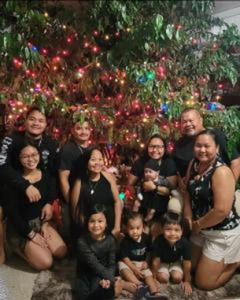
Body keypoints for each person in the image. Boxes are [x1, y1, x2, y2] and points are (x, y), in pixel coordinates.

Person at [0, 106, 60, 264]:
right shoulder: (11, 139)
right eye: (32, 119)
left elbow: (53, 175)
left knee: (60, 253)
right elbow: (2, 166)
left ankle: (41, 232)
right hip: (12, 187)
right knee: (45, 262)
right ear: (25, 121)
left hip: (39, 193)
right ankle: (13, 244)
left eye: (41, 120)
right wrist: (25, 185)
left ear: (46, 124)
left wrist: (49, 202)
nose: (36, 123)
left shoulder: (51, 144)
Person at [184, 129, 240, 290]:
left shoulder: (221, 172)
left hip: (221, 232)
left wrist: (198, 224)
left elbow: (221, 211)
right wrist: (187, 213)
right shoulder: (194, 164)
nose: (202, 150)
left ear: (216, 148)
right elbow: (186, 190)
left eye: (207, 146)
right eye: (198, 146)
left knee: (203, 282)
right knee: (190, 268)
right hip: (201, 229)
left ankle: (235, 262)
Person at [4, 144, 67, 270]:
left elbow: (50, 193)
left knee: (61, 252)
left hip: (41, 222)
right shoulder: (14, 182)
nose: (31, 159)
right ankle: (16, 248)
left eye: (34, 155)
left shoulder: (45, 174)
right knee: (46, 262)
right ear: (18, 159)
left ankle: (38, 248)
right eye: (25, 156)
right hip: (21, 228)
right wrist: (32, 235)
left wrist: (46, 215)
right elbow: (13, 215)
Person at [172, 108, 240, 181]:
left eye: (191, 120)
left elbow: (236, 161)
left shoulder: (216, 136)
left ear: (201, 120)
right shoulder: (180, 143)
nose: (188, 124)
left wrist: (230, 186)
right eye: (184, 122)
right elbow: (176, 169)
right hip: (189, 189)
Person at [71, 147, 122, 237]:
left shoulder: (108, 177)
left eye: (100, 159)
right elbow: (76, 212)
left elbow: (117, 201)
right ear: (86, 161)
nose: (98, 163)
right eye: (93, 159)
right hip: (90, 230)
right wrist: (92, 231)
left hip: (109, 227)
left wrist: (117, 227)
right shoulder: (79, 183)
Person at [118, 212, 163, 299]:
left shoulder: (146, 238)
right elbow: (124, 258)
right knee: (121, 266)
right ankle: (140, 285)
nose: (135, 231)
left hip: (141, 263)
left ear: (143, 227)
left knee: (148, 274)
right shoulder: (125, 241)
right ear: (127, 228)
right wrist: (134, 269)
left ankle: (155, 293)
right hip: (129, 263)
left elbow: (149, 251)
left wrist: (146, 261)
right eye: (131, 228)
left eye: (138, 228)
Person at [75, 204, 116, 300]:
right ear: (87, 222)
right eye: (92, 221)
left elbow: (112, 264)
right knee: (83, 296)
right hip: (85, 273)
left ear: (106, 223)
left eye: (100, 221)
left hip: (102, 273)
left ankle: (119, 285)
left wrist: (107, 280)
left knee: (103, 292)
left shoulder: (111, 240)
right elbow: (94, 264)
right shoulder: (82, 241)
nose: (96, 225)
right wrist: (111, 279)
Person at [151, 212, 192, 296]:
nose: (172, 233)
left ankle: (173, 272)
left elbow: (187, 262)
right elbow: (156, 261)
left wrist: (187, 281)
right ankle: (164, 274)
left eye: (177, 230)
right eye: (168, 229)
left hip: (176, 262)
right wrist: (153, 278)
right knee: (163, 278)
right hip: (162, 262)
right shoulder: (159, 241)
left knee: (177, 278)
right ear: (162, 230)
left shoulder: (184, 243)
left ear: (182, 231)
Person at [59, 118, 91, 203]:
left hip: (89, 196)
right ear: (72, 131)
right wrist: (71, 202)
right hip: (74, 196)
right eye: (79, 128)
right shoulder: (68, 150)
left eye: (87, 128)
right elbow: (63, 179)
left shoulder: (92, 148)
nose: (83, 132)